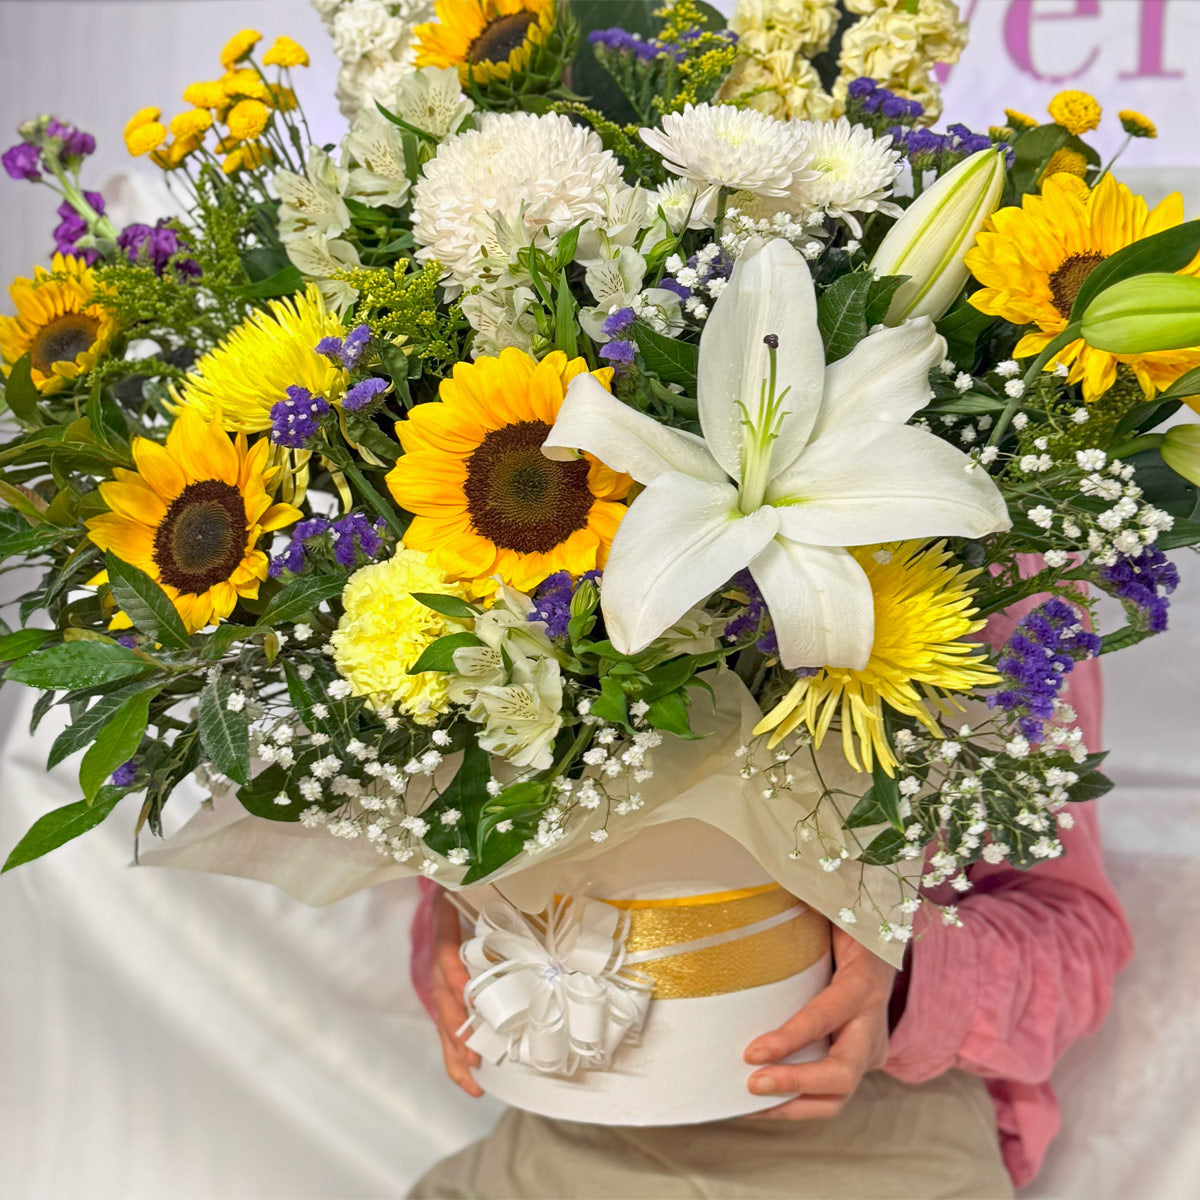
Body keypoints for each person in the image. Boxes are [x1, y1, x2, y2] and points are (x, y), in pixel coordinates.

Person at [406, 598, 1132, 1199]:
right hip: (570, 1129)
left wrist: (893, 966)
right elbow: (447, 827)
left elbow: (1074, 934)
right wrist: (464, 913)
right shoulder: (497, 548)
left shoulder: (1002, 574)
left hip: (879, 1141)